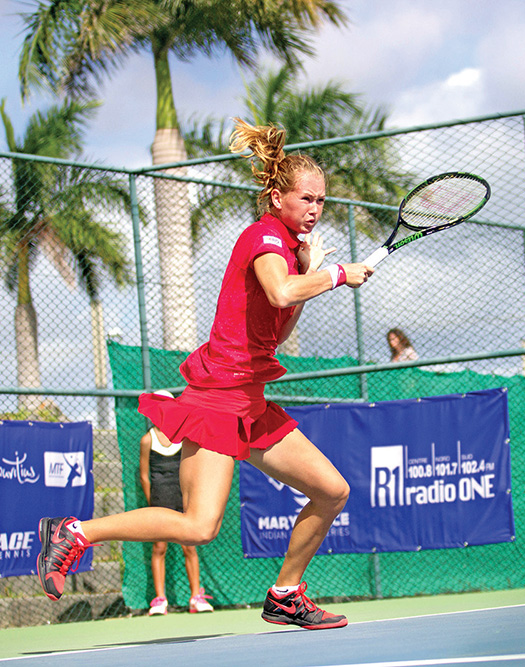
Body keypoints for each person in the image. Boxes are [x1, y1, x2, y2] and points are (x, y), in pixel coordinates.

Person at [36, 118, 374, 630]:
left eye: (321, 201)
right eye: (306, 199)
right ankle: (75, 533)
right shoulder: (263, 237)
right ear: (276, 197)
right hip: (220, 397)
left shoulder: (286, 249)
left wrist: (309, 272)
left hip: (250, 401)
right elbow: (282, 292)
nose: (315, 210)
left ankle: (285, 594)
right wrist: (333, 275)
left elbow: (276, 327)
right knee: (198, 526)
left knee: (331, 490)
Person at [138, 390, 213, 616]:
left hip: (183, 497)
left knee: (189, 546)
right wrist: (153, 502)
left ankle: (195, 598)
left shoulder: (186, 437)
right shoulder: (147, 439)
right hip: (160, 498)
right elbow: (144, 475)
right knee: (159, 547)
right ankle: (160, 599)